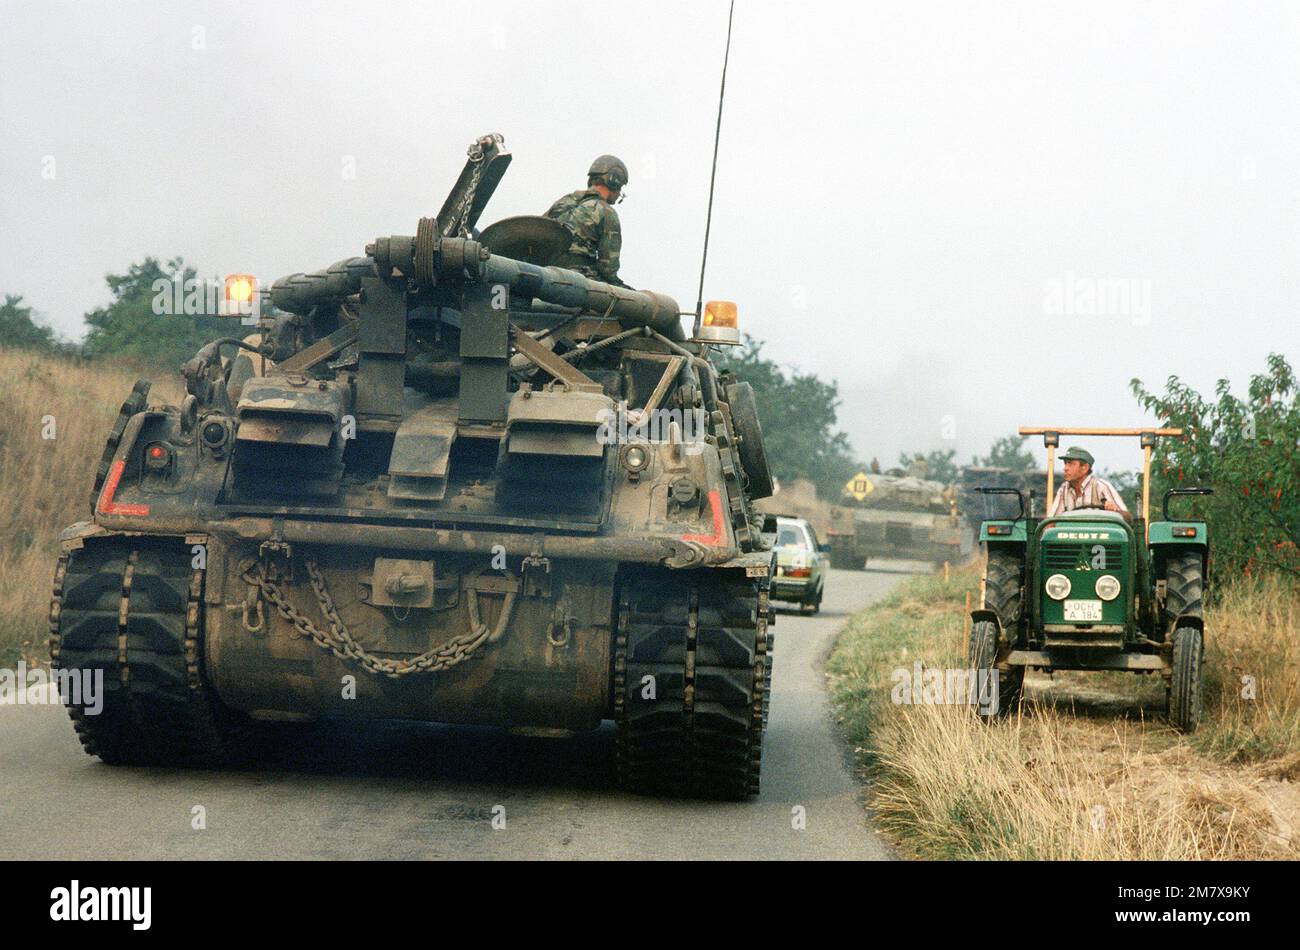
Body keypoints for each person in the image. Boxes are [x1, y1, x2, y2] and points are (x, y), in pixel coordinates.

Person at [545, 154, 631, 288]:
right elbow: (608, 268)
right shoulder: (606, 212)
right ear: (614, 180)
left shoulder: (563, 202)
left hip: (547, 274)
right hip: (581, 279)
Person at [1047, 447, 1130, 518]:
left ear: (1085, 468)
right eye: (1065, 463)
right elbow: (1052, 521)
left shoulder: (1101, 486)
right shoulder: (1064, 489)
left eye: (1071, 464)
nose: (1065, 468)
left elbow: (1126, 517)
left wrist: (1114, 511)